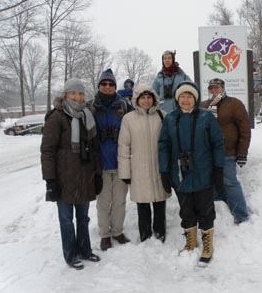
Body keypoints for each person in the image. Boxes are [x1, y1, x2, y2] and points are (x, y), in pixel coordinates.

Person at [158, 81, 224, 266]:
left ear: (194, 99)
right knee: (186, 210)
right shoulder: (170, 119)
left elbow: (218, 143)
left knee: (205, 210)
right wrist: (164, 170)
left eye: (189, 96)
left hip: (203, 172)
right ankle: (190, 242)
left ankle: (207, 245)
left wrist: (218, 168)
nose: (185, 100)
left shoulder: (206, 117)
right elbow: (163, 145)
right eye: (182, 96)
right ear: (178, 99)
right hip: (181, 175)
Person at [41, 78, 102, 270]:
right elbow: (47, 151)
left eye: (81, 93)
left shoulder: (88, 116)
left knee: (83, 218)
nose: (78, 97)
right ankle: (71, 254)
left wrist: (98, 173)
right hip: (64, 178)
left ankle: (85, 250)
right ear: (65, 94)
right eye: (74, 93)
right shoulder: (57, 117)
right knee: (66, 220)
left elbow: (94, 148)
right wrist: (50, 180)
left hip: (84, 177)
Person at [118, 84, 170, 242]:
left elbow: (170, 142)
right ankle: (145, 233)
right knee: (142, 204)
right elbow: (123, 146)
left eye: (149, 98)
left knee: (160, 202)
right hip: (138, 167)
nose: (146, 101)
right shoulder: (128, 119)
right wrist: (125, 172)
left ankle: (160, 231)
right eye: (143, 98)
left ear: (154, 99)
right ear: (137, 100)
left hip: (158, 166)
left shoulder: (163, 115)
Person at [90, 68, 134, 251]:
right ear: (99, 85)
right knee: (103, 201)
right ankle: (104, 234)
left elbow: (135, 124)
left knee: (120, 201)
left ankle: (117, 231)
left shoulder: (123, 105)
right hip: (100, 163)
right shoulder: (91, 107)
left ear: (115, 86)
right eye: (104, 84)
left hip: (120, 162)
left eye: (111, 84)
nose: (107, 87)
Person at [200, 78, 251, 224]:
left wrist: (242, 153)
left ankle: (241, 216)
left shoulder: (234, 104)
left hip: (227, 153)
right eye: (211, 88)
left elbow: (244, 129)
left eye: (217, 88)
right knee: (212, 183)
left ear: (223, 88)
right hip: (208, 154)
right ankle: (220, 214)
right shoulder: (204, 105)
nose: (214, 90)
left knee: (230, 183)